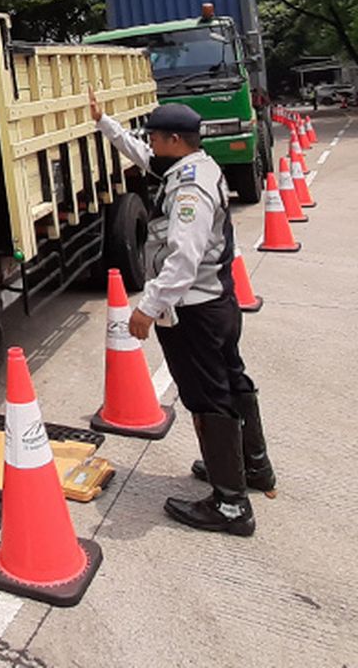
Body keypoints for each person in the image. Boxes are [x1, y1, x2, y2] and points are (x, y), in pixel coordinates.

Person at [90, 89, 275, 537]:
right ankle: (252, 467)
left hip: (195, 310)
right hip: (220, 303)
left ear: (174, 139)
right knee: (232, 381)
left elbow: (183, 258)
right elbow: (139, 153)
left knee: (208, 397)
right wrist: (105, 123)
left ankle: (230, 505)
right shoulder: (195, 165)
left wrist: (148, 308)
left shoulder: (189, 188)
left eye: (155, 136)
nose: (149, 143)